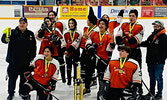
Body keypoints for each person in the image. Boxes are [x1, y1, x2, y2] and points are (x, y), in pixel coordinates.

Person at [1, 17, 36, 100]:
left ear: (27, 24)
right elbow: (4, 40)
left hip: (25, 63)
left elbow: (33, 47)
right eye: (21, 23)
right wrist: (5, 35)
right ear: (18, 23)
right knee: (12, 79)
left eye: (24, 23)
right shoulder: (12, 32)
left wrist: (31, 58)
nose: (22, 24)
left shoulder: (30, 34)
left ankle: (22, 92)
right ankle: (11, 93)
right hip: (13, 62)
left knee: (23, 80)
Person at [115, 8, 144, 97]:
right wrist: (125, 39)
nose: (131, 18)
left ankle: (138, 88)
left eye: (133, 16)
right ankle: (127, 86)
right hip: (126, 52)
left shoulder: (140, 27)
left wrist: (125, 39)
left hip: (135, 52)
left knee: (136, 70)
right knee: (125, 69)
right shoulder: (124, 25)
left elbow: (134, 41)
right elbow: (118, 38)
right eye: (130, 16)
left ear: (136, 17)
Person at [84, 19, 115, 99]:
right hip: (92, 57)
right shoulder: (94, 33)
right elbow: (88, 42)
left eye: (103, 24)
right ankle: (87, 87)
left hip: (102, 59)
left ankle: (101, 92)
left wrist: (112, 44)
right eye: (100, 24)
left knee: (101, 76)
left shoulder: (108, 36)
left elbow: (109, 49)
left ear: (106, 26)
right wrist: (89, 47)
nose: (101, 25)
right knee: (88, 72)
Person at [140, 20, 167, 100]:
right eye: (154, 26)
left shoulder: (164, 37)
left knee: (158, 78)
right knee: (151, 78)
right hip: (150, 61)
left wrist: (159, 60)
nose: (155, 27)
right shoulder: (152, 35)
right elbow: (146, 43)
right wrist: (137, 44)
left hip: (158, 63)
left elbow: (165, 51)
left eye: (156, 26)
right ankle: (151, 92)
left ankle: (159, 94)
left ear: (161, 27)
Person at [36, 17, 66, 83]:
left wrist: (57, 39)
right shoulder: (41, 29)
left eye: (48, 21)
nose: (47, 23)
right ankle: (43, 79)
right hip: (44, 51)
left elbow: (62, 40)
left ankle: (53, 81)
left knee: (53, 66)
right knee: (44, 66)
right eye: (45, 21)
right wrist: (43, 30)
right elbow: (38, 37)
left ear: (51, 22)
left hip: (54, 51)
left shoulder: (56, 30)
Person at [61, 18, 82, 86]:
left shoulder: (79, 32)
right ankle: (69, 81)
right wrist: (65, 51)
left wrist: (68, 51)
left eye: (72, 23)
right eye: (70, 23)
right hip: (68, 53)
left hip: (75, 52)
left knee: (76, 67)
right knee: (68, 67)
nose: (71, 25)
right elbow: (63, 42)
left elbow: (76, 43)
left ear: (75, 24)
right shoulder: (65, 32)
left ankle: (75, 80)